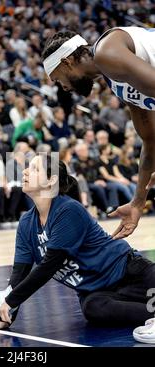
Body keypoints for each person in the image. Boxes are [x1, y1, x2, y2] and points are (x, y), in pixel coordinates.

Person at [0, 154, 155, 344]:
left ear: (51, 180)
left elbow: (50, 265)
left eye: (34, 169)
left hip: (130, 273)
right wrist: (6, 317)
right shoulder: (26, 223)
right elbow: (19, 273)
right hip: (97, 292)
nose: (25, 171)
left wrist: (11, 301)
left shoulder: (68, 210)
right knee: (93, 310)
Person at [40, 28, 155, 240]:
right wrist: (138, 203)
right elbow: (150, 141)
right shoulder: (117, 81)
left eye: (58, 79)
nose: (63, 88)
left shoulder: (107, 51)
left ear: (67, 62)